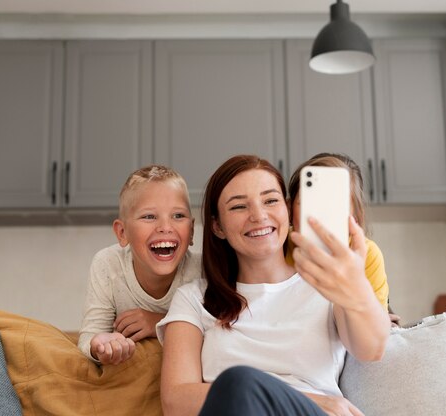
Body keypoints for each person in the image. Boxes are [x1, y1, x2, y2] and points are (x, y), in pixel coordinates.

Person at [158, 155, 390, 415]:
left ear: (288, 210)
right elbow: (175, 401)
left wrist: (356, 288)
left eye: (270, 201)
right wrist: (317, 400)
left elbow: (371, 349)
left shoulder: (324, 285)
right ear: (217, 226)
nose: (258, 215)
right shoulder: (193, 298)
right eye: (238, 207)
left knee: (239, 382)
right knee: (238, 382)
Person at [77, 165, 201, 365]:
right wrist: (99, 345)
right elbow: (90, 336)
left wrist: (159, 323)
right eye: (149, 216)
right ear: (122, 233)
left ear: (192, 230)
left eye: (178, 215)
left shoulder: (202, 270)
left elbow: (218, 336)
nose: (165, 227)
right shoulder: (108, 264)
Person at [287, 152, 400, 326]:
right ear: (288, 208)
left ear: (354, 214)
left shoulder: (367, 254)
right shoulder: (276, 247)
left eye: (334, 204)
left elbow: (374, 329)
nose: (320, 215)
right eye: (309, 202)